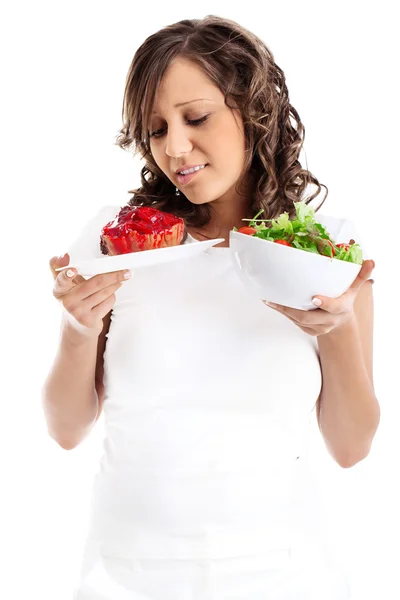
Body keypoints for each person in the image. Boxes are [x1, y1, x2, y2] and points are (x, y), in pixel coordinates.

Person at [43, 15, 380, 600]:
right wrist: (78, 327)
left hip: (288, 575)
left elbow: (351, 448)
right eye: (155, 130)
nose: (175, 147)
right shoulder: (119, 244)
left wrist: (339, 327)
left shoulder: (320, 256)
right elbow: (66, 430)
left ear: (255, 112)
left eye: (196, 118)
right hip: (125, 577)